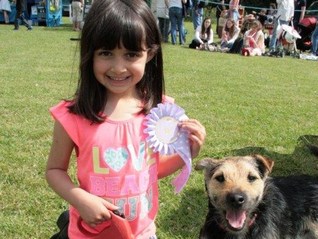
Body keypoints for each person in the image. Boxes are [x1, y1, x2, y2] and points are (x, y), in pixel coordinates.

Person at [46, 0, 206, 239]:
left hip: (142, 233)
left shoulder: (157, 112)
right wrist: (81, 199)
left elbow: (151, 170)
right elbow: (54, 170)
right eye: (106, 53)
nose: (118, 67)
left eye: (131, 54)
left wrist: (188, 153)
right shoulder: (74, 114)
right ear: (90, 53)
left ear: (149, 54)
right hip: (91, 233)